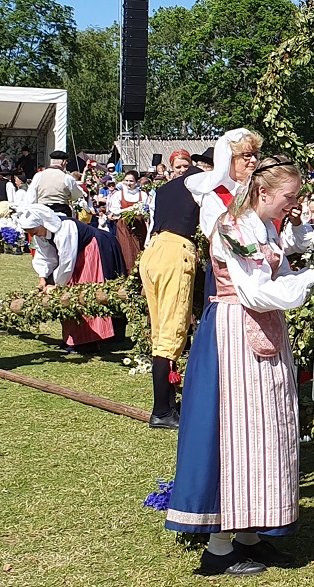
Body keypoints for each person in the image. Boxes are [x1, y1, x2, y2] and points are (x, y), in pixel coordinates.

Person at [165, 156, 314, 577]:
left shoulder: (267, 228)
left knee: (267, 430)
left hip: (263, 332)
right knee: (235, 433)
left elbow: (279, 278)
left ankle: (250, 537)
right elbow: (255, 292)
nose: (294, 204)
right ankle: (217, 549)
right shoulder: (232, 229)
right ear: (264, 192)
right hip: (234, 334)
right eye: (289, 197)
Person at [138, 149, 202, 430]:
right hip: (176, 251)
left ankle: (166, 404)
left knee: (160, 330)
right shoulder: (204, 182)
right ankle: (162, 410)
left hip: (153, 251)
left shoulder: (164, 189)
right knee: (172, 332)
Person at [12, 204, 127, 354]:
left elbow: (66, 261)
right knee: (70, 293)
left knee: (86, 291)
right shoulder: (41, 234)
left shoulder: (65, 228)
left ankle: (91, 340)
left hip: (94, 248)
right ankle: (76, 339)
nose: (34, 235)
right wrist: (42, 278)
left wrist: (57, 285)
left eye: (34, 231)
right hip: (77, 253)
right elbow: (46, 256)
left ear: (43, 223)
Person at [107, 172, 149, 269]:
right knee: (126, 249)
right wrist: (128, 210)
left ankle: (139, 271)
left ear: (136, 182)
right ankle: (127, 272)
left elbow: (147, 210)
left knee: (139, 248)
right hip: (124, 225)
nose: (128, 183)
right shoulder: (118, 194)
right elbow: (114, 210)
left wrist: (140, 212)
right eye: (126, 181)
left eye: (131, 181)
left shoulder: (142, 195)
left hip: (139, 225)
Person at [31, 151, 85, 217]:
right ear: (64, 162)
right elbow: (76, 195)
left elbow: (31, 196)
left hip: (43, 211)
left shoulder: (38, 176)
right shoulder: (67, 178)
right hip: (61, 211)